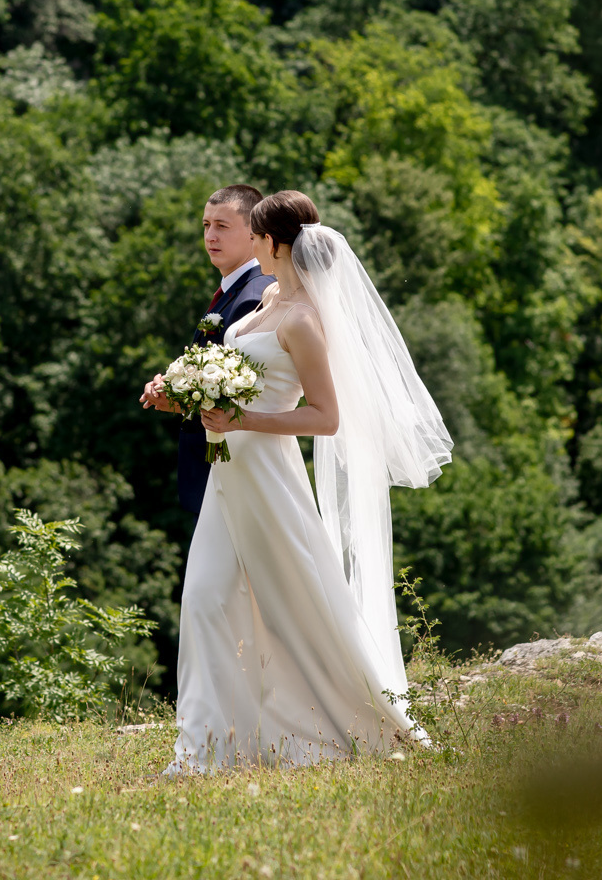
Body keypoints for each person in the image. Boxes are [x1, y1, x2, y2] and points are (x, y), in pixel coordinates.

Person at [167, 190, 455, 773]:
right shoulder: (269, 298)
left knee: (293, 607)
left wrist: (245, 418)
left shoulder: (303, 320)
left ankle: (355, 720)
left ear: (272, 243)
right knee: (202, 599)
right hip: (229, 477)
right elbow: (231, 371)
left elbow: (325, 417)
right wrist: (188, 387)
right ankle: (204, 747)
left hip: (268, 478)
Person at [138, 185, 275, 518]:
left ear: (254, 234)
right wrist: (172, 386)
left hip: (229, 466)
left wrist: (180, 398)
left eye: (222, 226)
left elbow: (244, 394)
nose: (210, 236)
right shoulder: (236, 290)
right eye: (206, 225)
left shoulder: (253, 297)